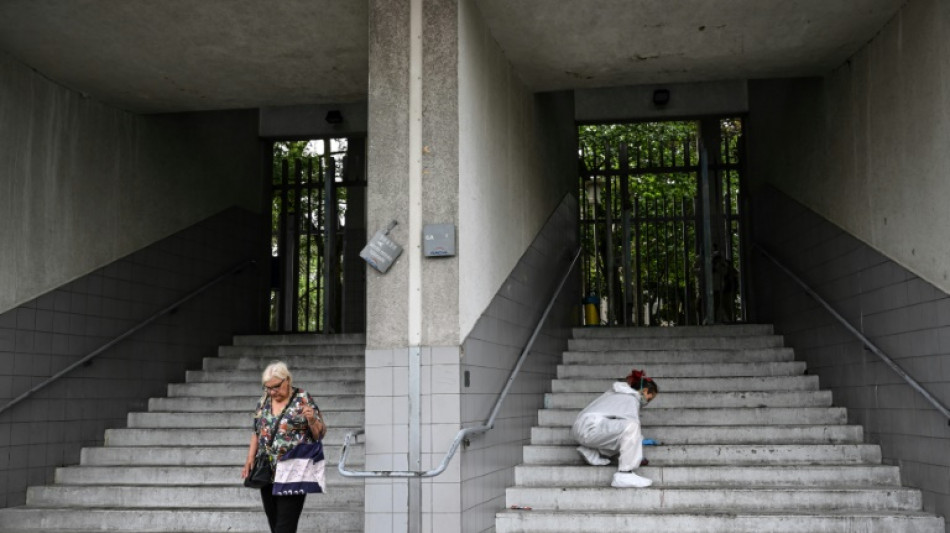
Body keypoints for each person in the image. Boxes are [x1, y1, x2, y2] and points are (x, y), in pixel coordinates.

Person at [241, 361, 326, 533]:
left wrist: (311, 420)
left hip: (294, 470)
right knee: (275, 524)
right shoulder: (264, 401)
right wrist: (250, 459)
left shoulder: (303, 398)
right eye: (268, 388)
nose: (272, 392)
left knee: (284, 527)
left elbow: (320, 433)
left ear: (287, 380)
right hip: (267, 470)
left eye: (276, 387)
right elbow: (256, 432)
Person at [571, 369, 658, 488]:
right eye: (650, 397)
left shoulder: (618, 393)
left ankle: (592, 452)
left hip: (585, 427)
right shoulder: (631, 399)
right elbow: (631, 426)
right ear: (645, 390)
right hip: (590, 428)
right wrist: (638, 450)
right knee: (631, 428)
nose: (648, 401)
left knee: (623, 435)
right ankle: (624, 474)